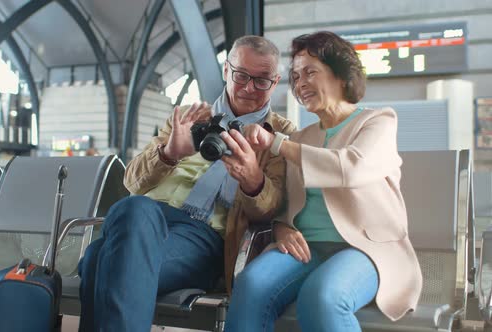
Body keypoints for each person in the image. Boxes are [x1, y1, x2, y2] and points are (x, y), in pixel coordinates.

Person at [77, 35, 295, 331]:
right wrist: (168, 154)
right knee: (136, 209)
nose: (248, 87)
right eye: (241, 75)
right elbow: (132, 181)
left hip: (204, 236)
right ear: (226, 70)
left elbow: (273, 209)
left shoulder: (280, 135)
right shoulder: (190, 116)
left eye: (261, 80)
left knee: (97, 259)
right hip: (145, 217)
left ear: (276, 81)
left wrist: (254, 181)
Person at [224, 31, 422, 332]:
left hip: (365, 249)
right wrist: (283, 228)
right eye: (295, 76)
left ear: (341, 75)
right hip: (308, 248)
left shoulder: (378, 122)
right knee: (250, 285)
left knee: (322, 296)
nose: (301, 83)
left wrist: (277, 143)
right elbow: (284, 204)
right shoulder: (302, 138)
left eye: (310, 72)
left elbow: (350, 168)